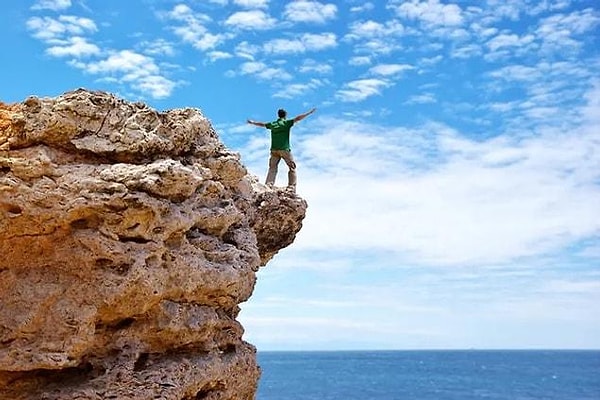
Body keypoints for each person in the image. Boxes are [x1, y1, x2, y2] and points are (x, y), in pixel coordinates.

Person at [247, 107, 316, 192]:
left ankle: (269, 185)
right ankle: (292, 187)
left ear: (278, 115)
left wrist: (252, 122)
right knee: (292, 168)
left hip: (274, 150)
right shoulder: (286, 123)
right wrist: (308, 113)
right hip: (284, 149)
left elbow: (263, 124)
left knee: (272, 168)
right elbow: (298, 118)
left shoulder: (273, 124)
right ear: (285, 115)